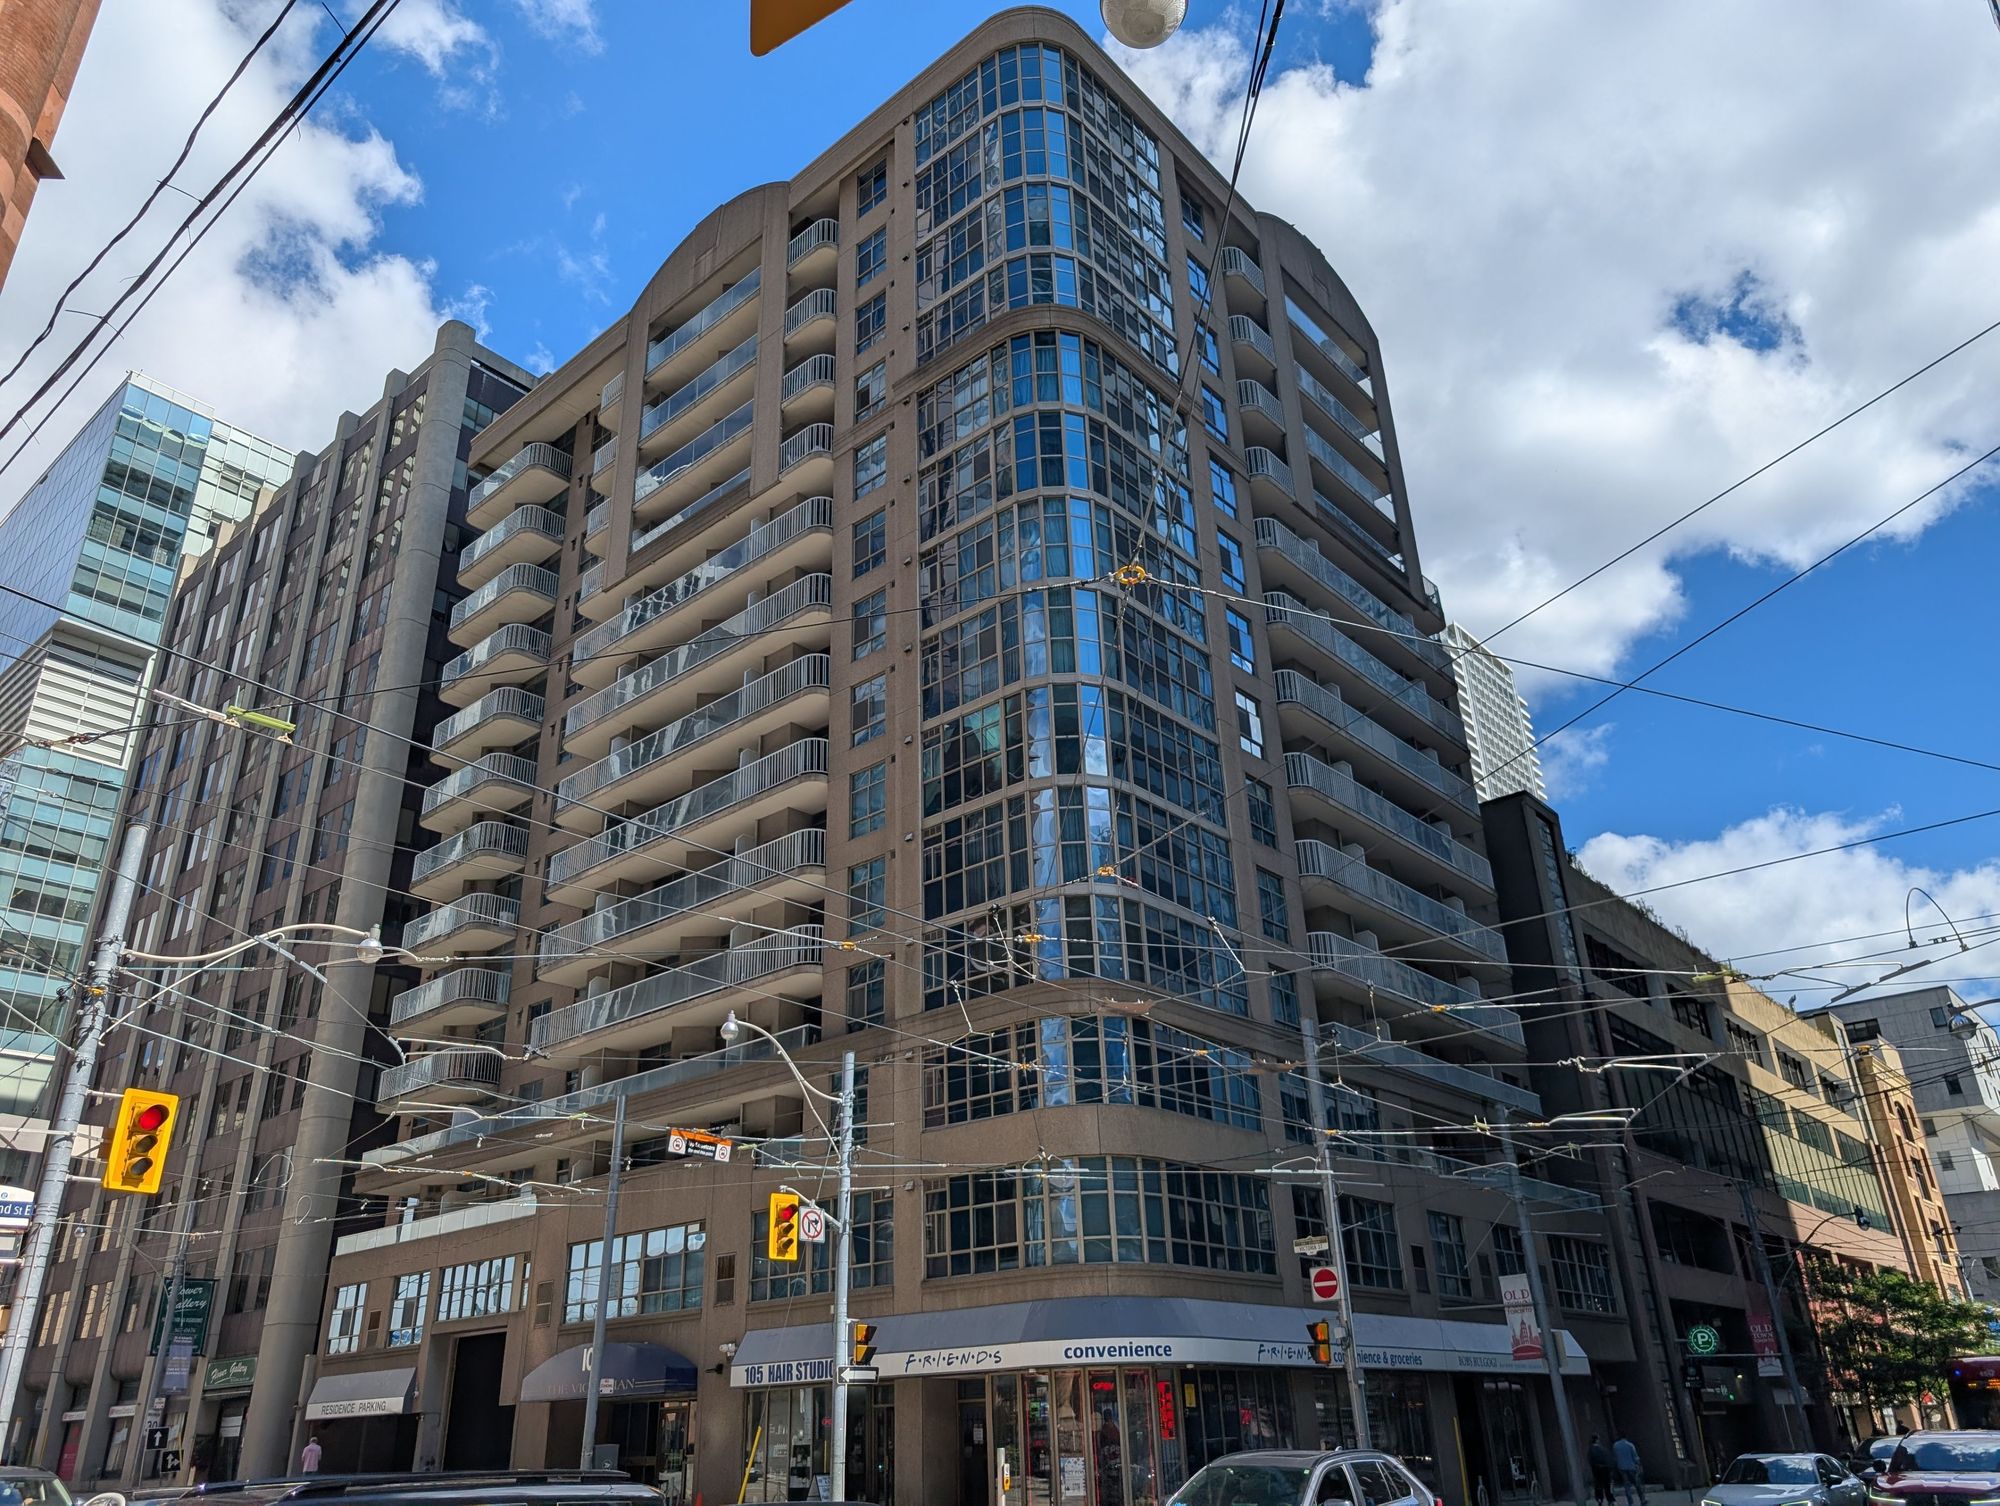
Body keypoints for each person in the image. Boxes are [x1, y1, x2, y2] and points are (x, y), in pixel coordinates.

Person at [1613, 1434, 1643, 1506]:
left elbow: (1615, 1457)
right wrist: (1639, 1464)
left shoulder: (1615, 1445)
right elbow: (1635, 1457)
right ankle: (1642, 1499)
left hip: (1621, 1467)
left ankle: (1630, 1502)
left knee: (1627, 1485)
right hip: (1631, 1467)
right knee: (1637, 1484)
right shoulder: (1630, 1445)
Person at [1588, 1435, 1616, 1506]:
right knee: (1607, 1485)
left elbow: (1590, 1461)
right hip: (1605, 1469)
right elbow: (1608, 1459)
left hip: (1596, 1470)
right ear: (1597, 1440)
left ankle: (1599, 1499)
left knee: (1598, 1485)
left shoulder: (1590, 1449)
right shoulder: (1602, 1449)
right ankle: (1610, 1500)